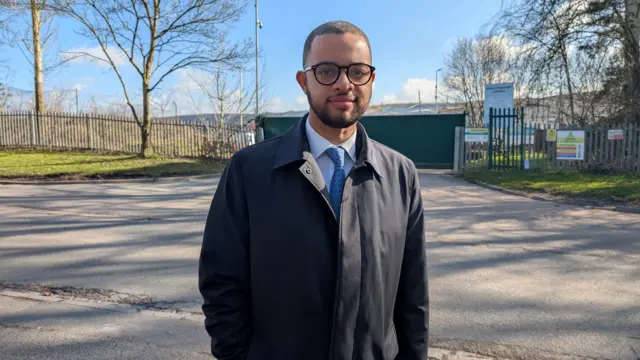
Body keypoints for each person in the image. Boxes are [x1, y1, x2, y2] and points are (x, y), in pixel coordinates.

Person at [198, 20, 429, 360]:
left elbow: (414, 295)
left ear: (372, 80)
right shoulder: (249, 171)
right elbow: (222, 282)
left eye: (357, 71)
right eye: (326, 71)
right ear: (303, 81)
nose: (344, 83)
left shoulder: (400, 175)